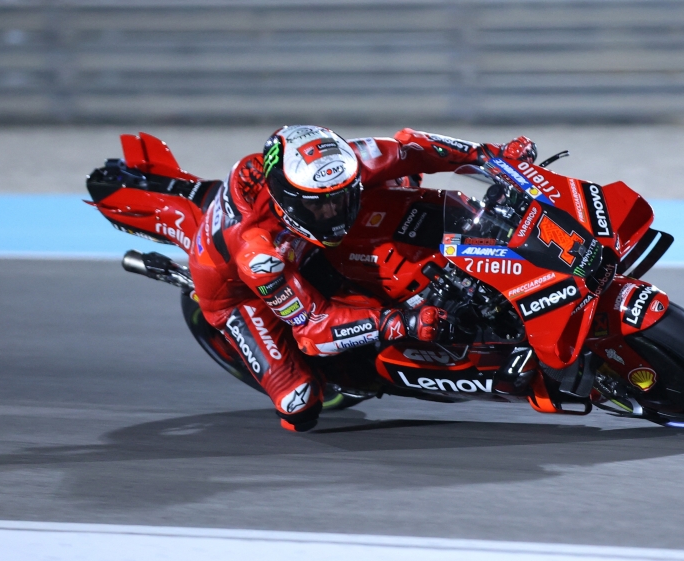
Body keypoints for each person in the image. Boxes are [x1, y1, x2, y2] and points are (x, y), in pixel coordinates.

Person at [189, 125, 537, 431]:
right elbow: (312, 330)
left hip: (308, 246)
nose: (335, 211)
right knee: (299, 404)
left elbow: (413, 147)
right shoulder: (259, 254)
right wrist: (403, 323)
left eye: (343, 196)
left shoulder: (345, 162)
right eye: (320, 206)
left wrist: (494, 156)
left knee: (403, 179)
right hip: (238, 293)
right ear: (289, 202)